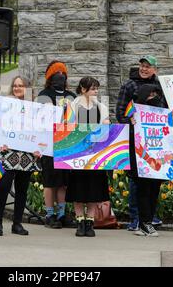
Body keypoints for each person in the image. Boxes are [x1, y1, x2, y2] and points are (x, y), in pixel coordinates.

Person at [115, 55, 164, 231]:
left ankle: (149, 217)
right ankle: (136, 218)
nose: (144, 69)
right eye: (142, 65)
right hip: (136, 140)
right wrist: (129, 121)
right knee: (137, 181)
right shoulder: (129, 85)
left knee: (154, 182)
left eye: (148, 66)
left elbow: (167, 114)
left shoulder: (161, 87)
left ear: (155, 69)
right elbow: (120, 112)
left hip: (157, 142)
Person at [0, 76, 41, 236]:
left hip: (27, 155)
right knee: (3, 187)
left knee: (22, 189)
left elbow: (41, 130)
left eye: (21, 85)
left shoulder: (35, 107)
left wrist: (39, 147)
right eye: (15, 85)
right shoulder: (4, 104)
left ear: (28, 88)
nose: (17, 88)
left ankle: (17, 224)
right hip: (7, 153)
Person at [66, 77, 110, 237]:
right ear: (83, 89)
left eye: (97, 89)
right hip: (77, 154)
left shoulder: (101, 107)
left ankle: (90, 222)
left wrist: (105, 123)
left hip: (95, 154)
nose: (96, 92)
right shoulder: (72, 106)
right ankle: (79, 221)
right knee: (78, 190)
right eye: (93, 89)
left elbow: (107, 126)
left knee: (93, 190)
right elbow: (67, 127)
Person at [36, 60, 76, 229]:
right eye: (56, 74)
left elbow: (77, 118)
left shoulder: (71, 96)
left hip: (66, 143)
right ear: (50, 77)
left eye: (63, 74)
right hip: (49, 144)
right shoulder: (44, 94)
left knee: (63, 183)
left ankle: (61, 214)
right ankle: (50, 214)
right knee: (50, 182)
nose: (60, 77)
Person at [130, 84, 170, 237]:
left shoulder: (162, 111)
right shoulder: (135, 110)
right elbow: (126, 122)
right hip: (141, 158)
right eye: (150, 94)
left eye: (156, 94)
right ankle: (144, 223)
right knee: (144, 190)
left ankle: (148, 222)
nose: (154, 97)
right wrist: (131, 120)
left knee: (154, 190)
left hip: (159, 158)